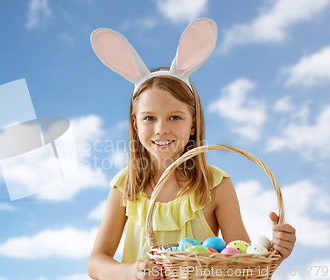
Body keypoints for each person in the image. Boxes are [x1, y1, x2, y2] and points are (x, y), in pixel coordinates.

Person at [86, 18, 296, 280]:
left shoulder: (215, 185)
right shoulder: (125, 187)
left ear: (194, 124)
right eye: (149, 118)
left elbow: (244, 268)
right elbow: (95, 263)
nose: (161, 129)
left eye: (175, 117)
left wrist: (274, 252)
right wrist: (131, 272)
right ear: (135, 125)